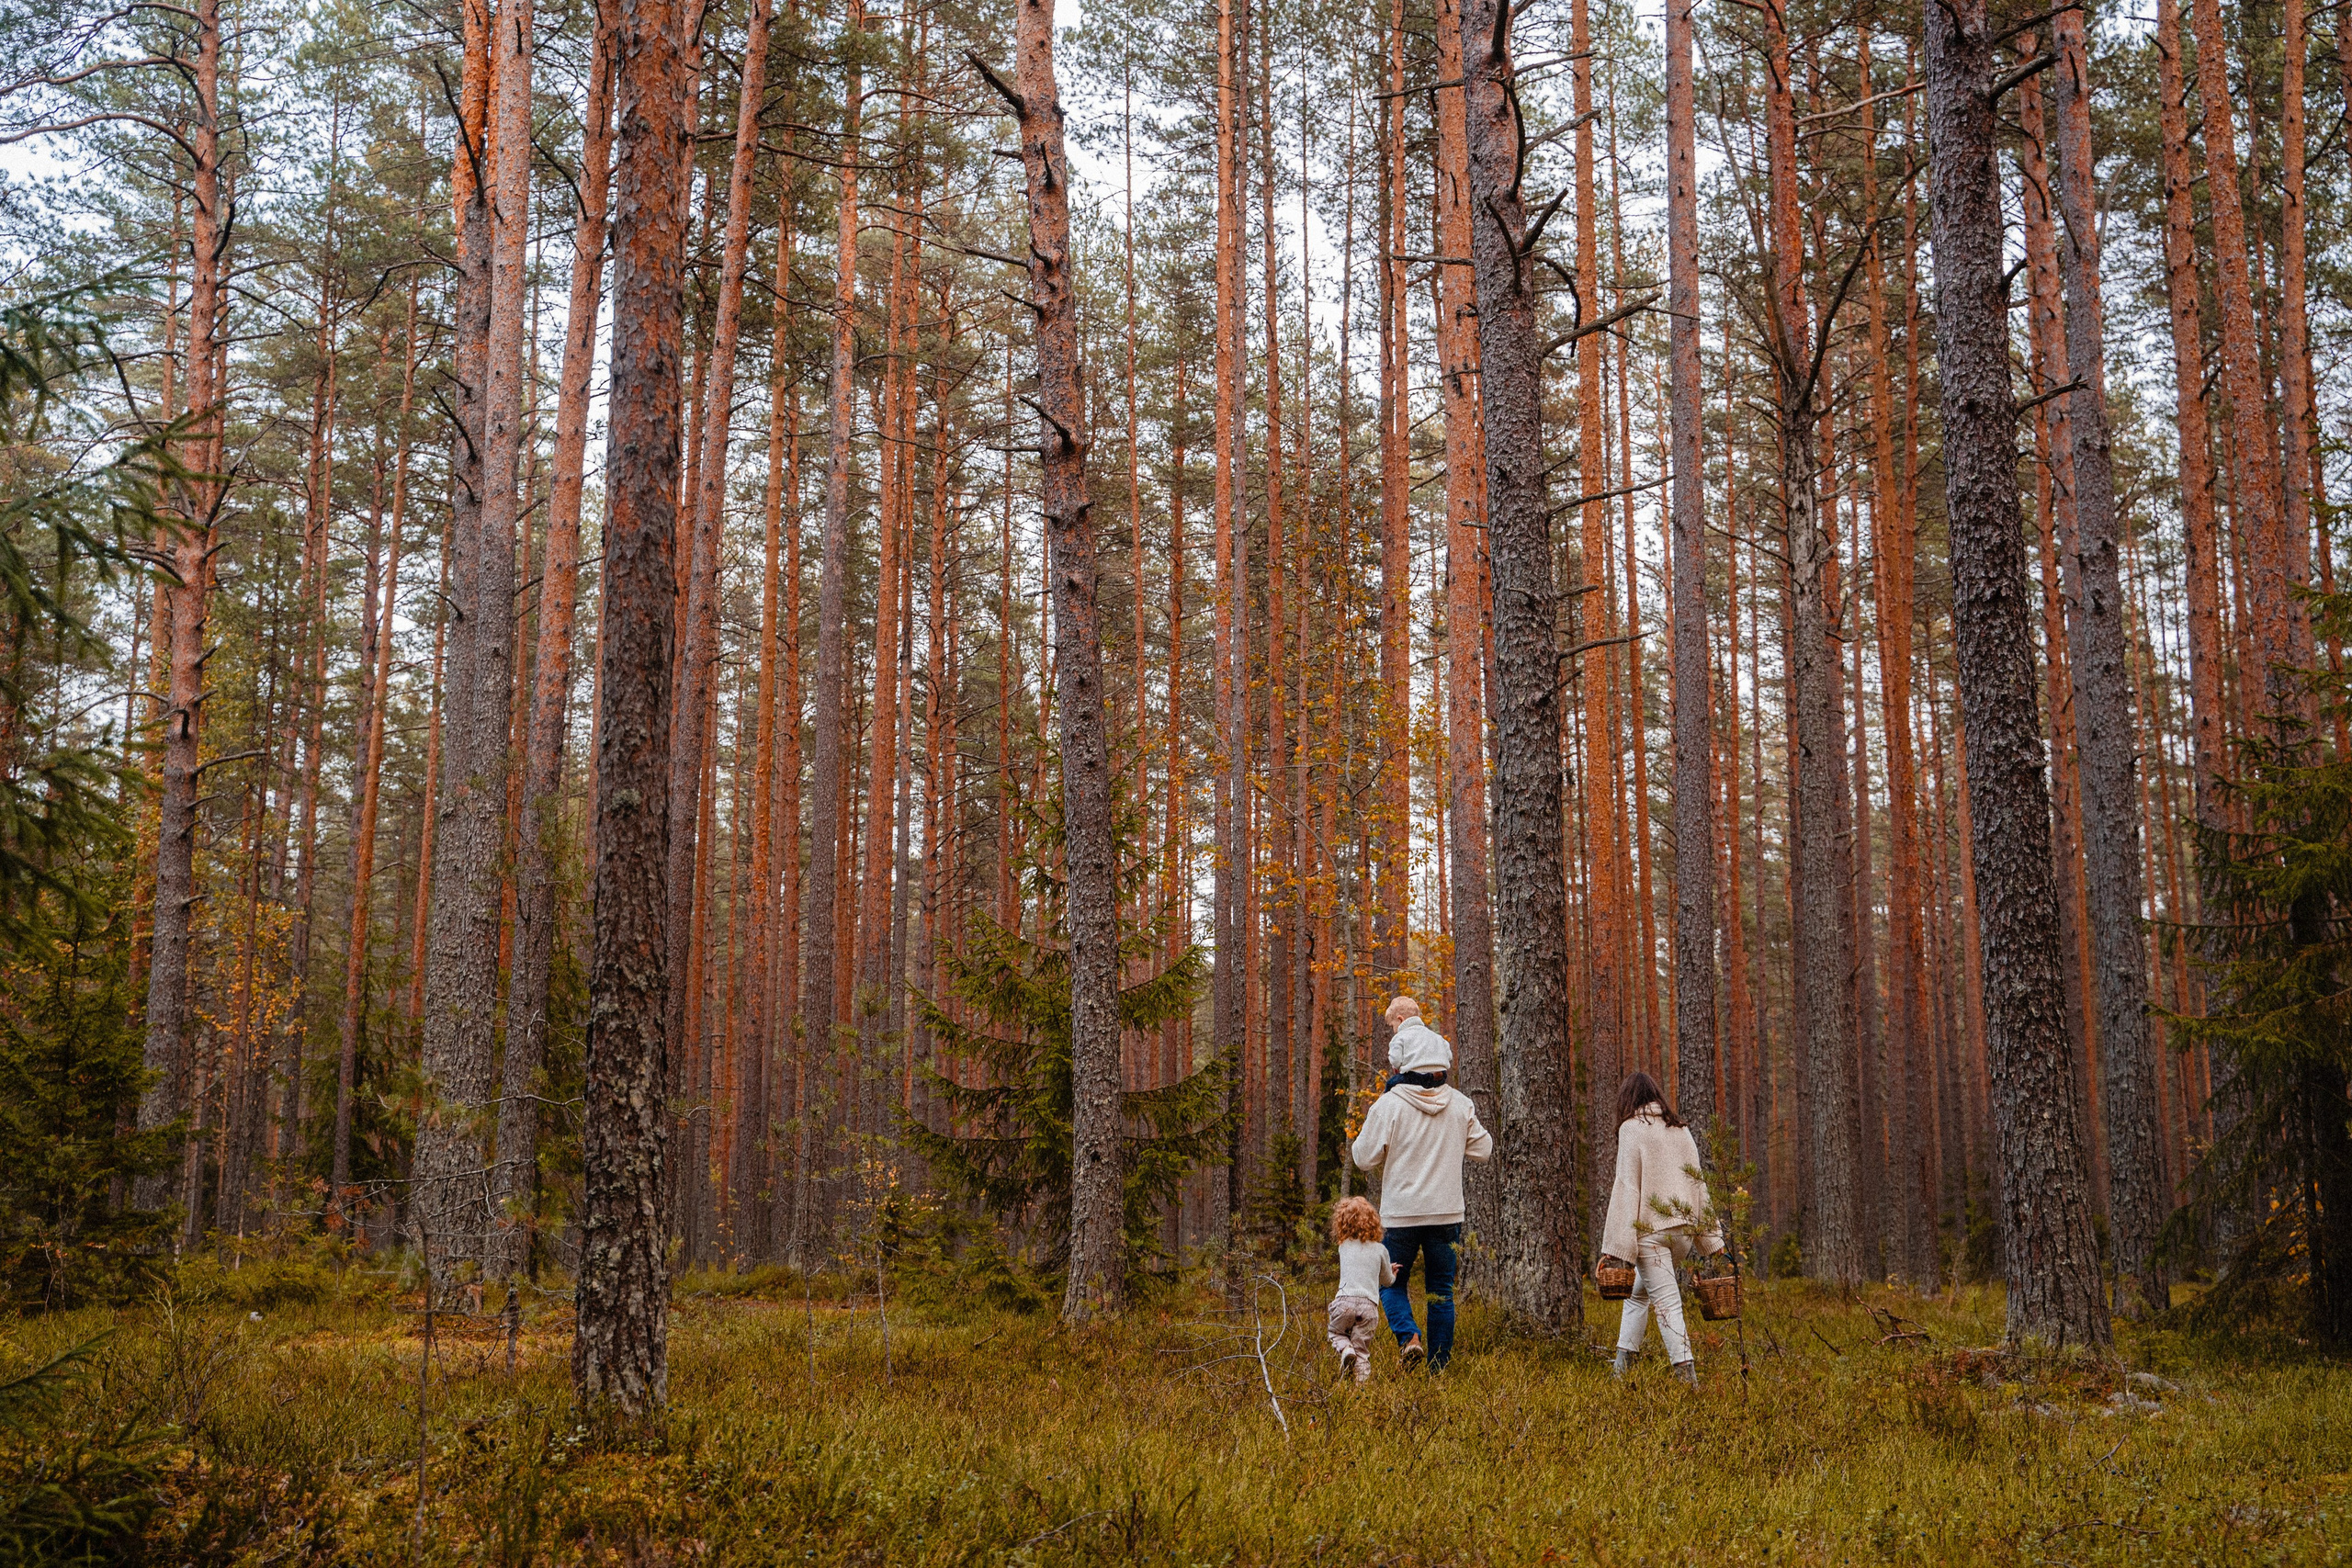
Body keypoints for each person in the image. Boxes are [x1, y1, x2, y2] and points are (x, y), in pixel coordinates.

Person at [1351, 1011, 1493, 1371]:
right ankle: (1439, 1370)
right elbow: (1484, 1149)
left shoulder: (1389, 1104)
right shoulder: (1460, 1105)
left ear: (1402, 1061)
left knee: (1391, 1285)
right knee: (1441, 1293)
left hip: (1400, 1214)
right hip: (1447, 1214)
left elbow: (1363, 1158)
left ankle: (1409, 1337)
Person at [1600, 1070, 1724, 1385]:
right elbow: (1699, 1186)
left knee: (1667, 1303)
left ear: (1627, 1100)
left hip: (1650, 1234)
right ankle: (1621, 1369)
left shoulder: (1631, 1129)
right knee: (1638, 1295)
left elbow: (1627, 1187)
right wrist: (1712, 1240)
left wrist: (1616, 1249)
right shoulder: (1680, 1130)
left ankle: (1688, 1380)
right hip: (1682, 1232)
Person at [1327, 1196, 1396, 1383]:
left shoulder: (1344, 1246)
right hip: (1368, 1307)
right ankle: (1361, 1389)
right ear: (1373, 1221)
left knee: (1336, 1333)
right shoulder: (1381, 1249)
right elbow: (1387, 1281)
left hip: (1344, 1302)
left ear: (1342, 1222)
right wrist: (1392, 1272)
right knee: (1362, 1350)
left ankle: (1345, 1349)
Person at [1382, 995, 1453, 1089]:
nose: (1394, 1030)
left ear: (1400, 1020)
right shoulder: (1435, 1036)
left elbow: (1396, 1061)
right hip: (1440, 1077)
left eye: (1393, 1025)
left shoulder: (1400, 1037)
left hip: (1416, 1078)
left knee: (1390, 1083)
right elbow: (1449, 1056)